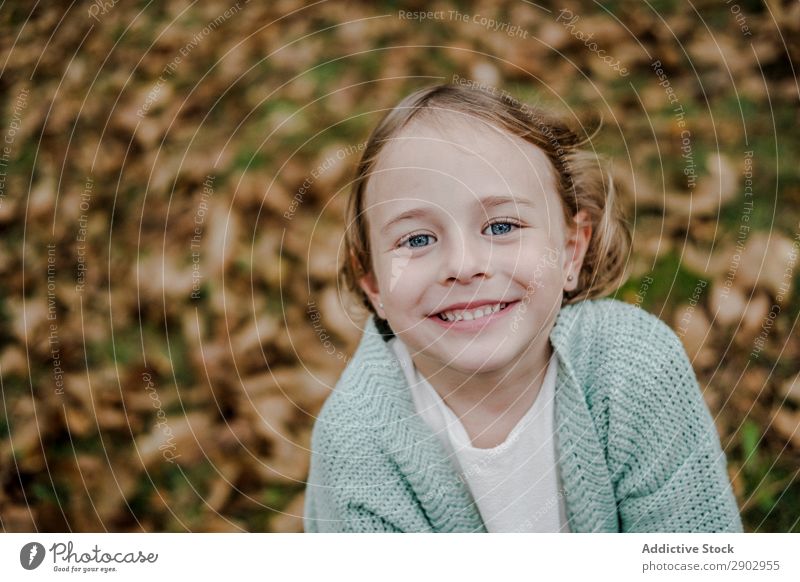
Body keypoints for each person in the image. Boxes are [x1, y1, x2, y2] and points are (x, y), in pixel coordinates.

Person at [303, 82, 742, 532]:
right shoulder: (357, 445)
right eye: (417, 239)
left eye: (501, 226)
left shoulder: (634, 368)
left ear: (571, 250)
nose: (464, 265)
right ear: (373, 282)